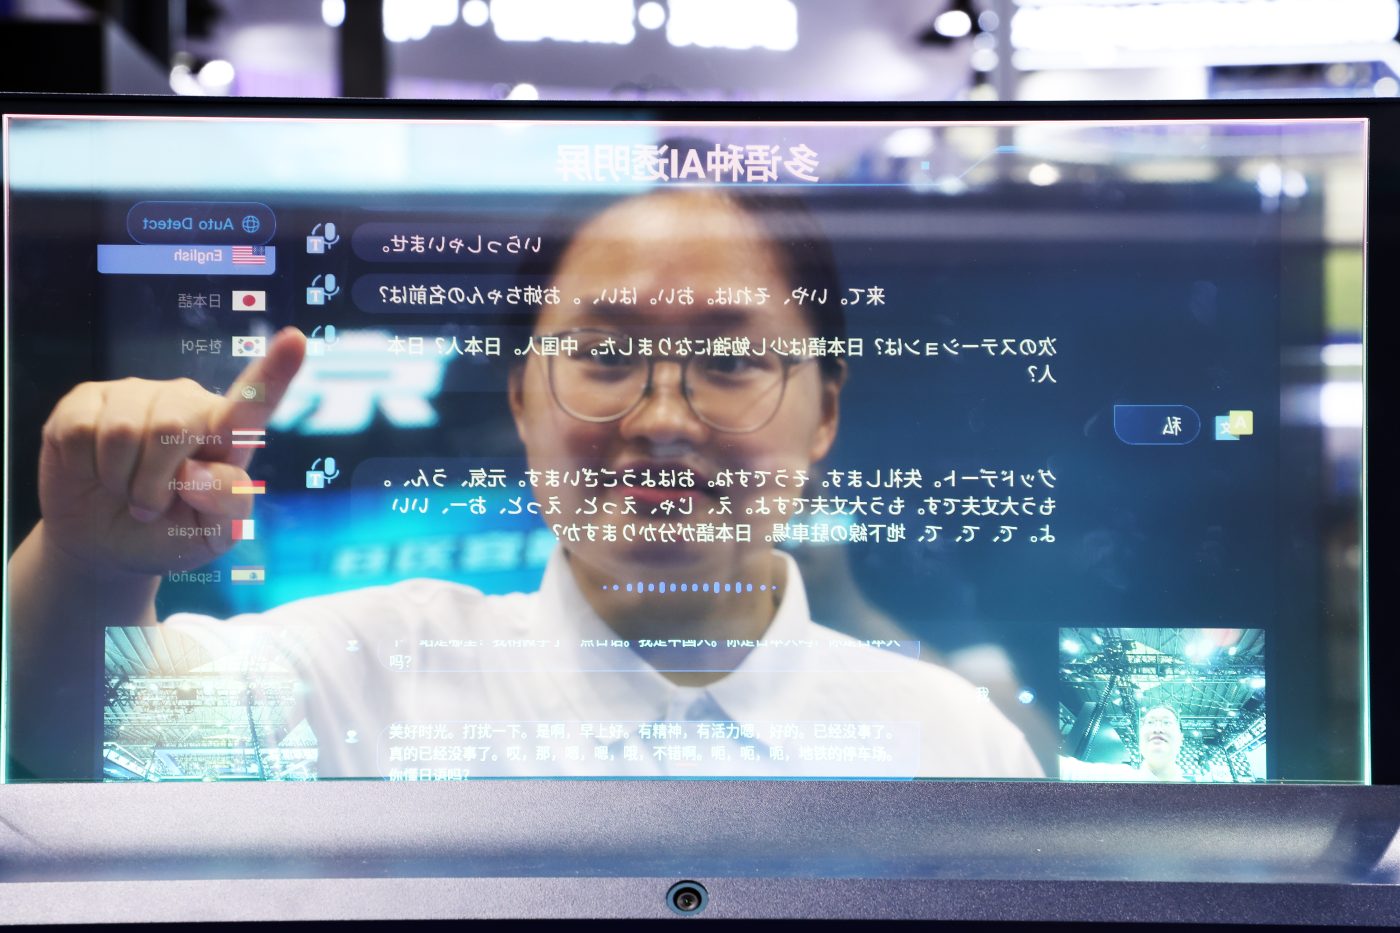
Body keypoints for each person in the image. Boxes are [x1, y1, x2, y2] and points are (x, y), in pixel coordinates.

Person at [9, 187, 1042, 779]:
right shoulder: (358, 671)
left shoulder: (953, 741)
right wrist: (87, 563)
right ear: (520, 396)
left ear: (823, 412)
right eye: (604, 355)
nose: (663, 417)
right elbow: (71, 753)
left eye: (730, 360)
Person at [1058, 705, 1188, 782]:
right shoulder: (1116, 778)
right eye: (1150, 722)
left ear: (1181, 737)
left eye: (1166, 722)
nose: (1157, 729)